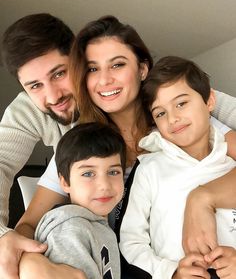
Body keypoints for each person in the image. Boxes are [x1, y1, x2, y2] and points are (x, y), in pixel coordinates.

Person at [15, 16, 236, 279]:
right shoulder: (82, 144)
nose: (105, 80)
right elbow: (28, 224)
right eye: (93, 69)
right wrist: (30, 261)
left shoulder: (179, 124)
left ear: (142, 69)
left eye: (117, 65)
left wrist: (202, 199)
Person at [119, 56, 236, 279]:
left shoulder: (231, 167)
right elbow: (130, 241)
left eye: (181, 103)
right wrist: (171, 272)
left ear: (209, 101)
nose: (173, 118)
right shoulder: (148, 169)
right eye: (160, 113)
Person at [0, 13, 84, 279]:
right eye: (35, 85)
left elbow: (207, 100)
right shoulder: (27, 109)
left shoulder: (110, 84)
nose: (53, 96)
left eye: (59, 73)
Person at [26, 122, 125, 279]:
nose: (104, 185)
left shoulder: (94, 224)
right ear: (65, 182)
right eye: (88, 174)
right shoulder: (70, 230)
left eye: (113, 172)